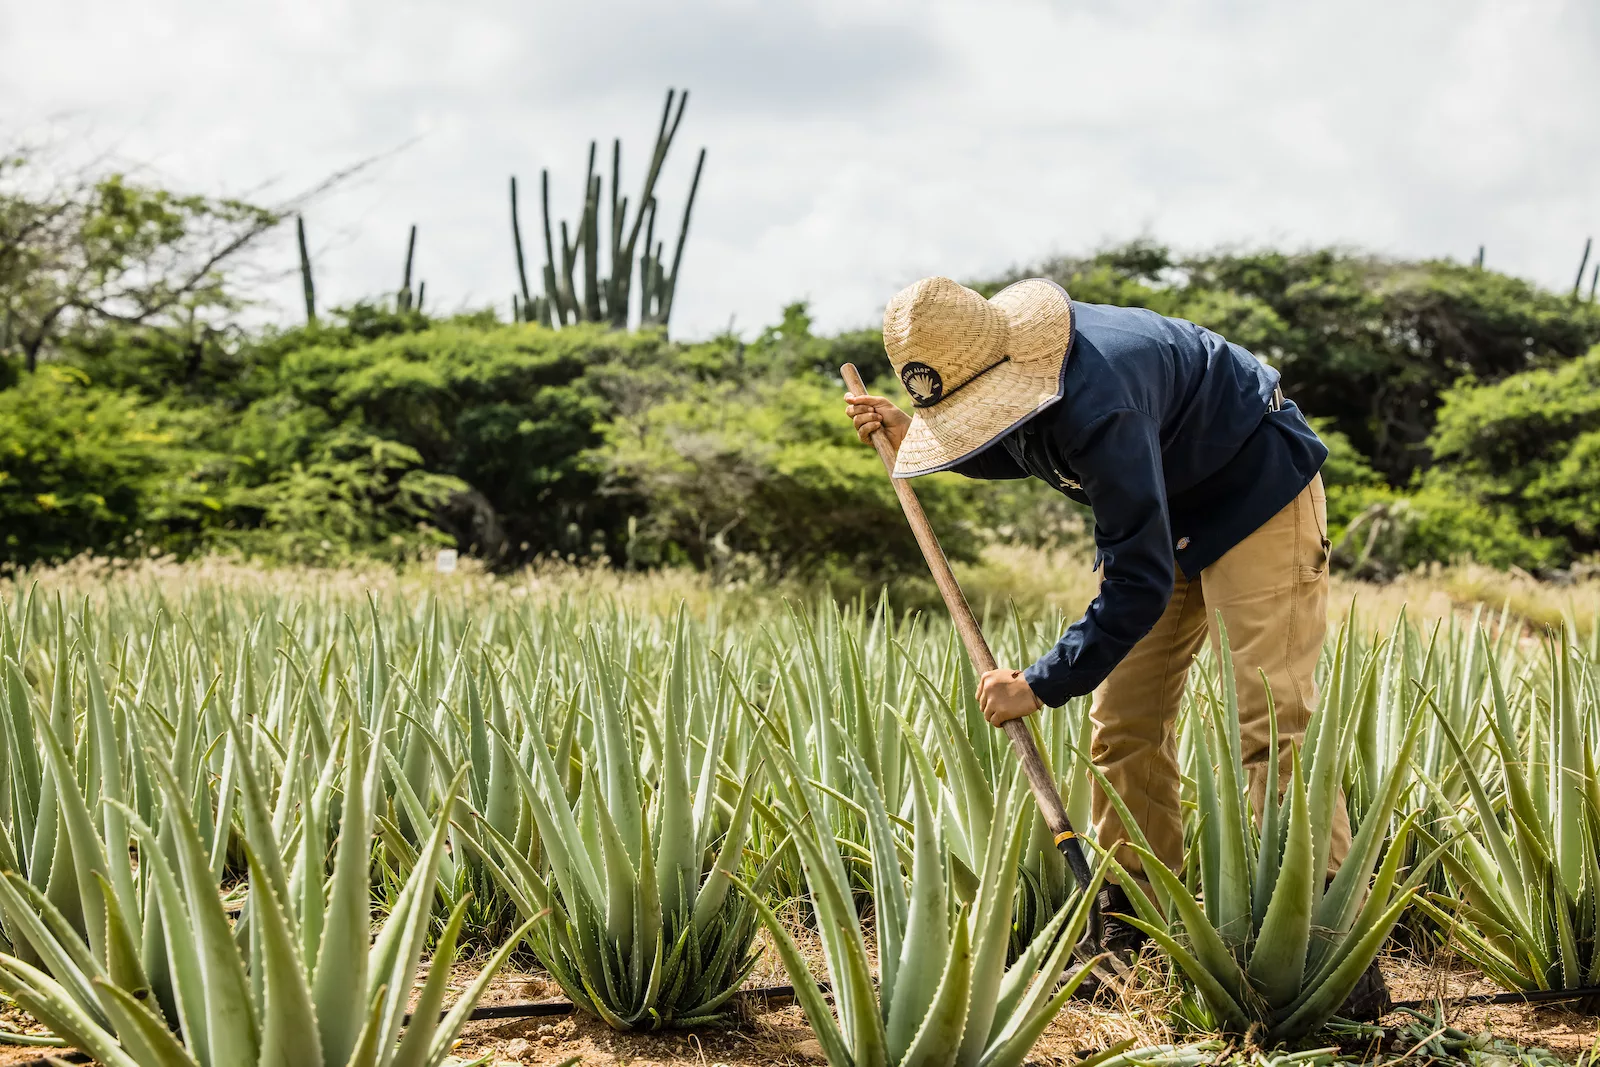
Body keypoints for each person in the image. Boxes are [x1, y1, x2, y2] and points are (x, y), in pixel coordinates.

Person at [844, 275, 1387, 1019]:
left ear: (1007, 368)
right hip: (1162, 504)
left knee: (1269, 720)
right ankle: (1137, 934)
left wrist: (1037, 682)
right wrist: (919, 437)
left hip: (1254, 492)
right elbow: (1025, 439)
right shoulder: (1024, 379)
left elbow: (1136, 582)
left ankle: (1329, 951)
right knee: (1123, 723)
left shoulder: (1101, 394)